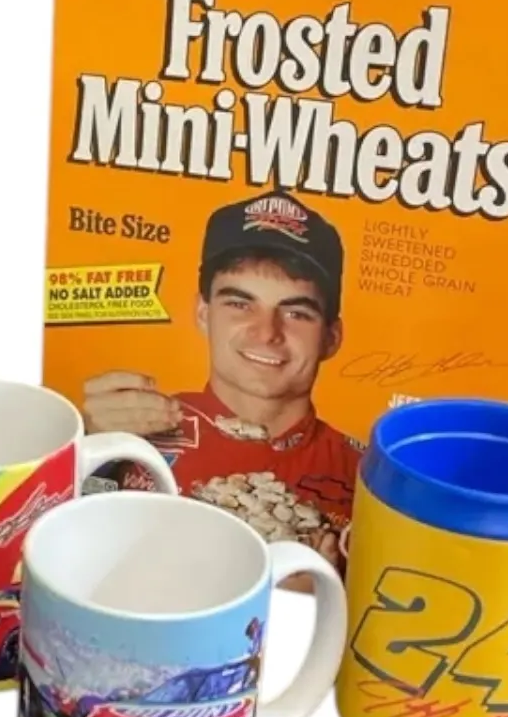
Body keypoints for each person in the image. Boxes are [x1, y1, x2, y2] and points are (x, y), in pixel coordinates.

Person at [82, 190, 361, 576]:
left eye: (296, 312)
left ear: (332, 337)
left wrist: (324, 595)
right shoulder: (129, 431)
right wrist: (82, 449)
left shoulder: (369, 476)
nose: (267, 333)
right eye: (240, 304)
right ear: (203, 313)